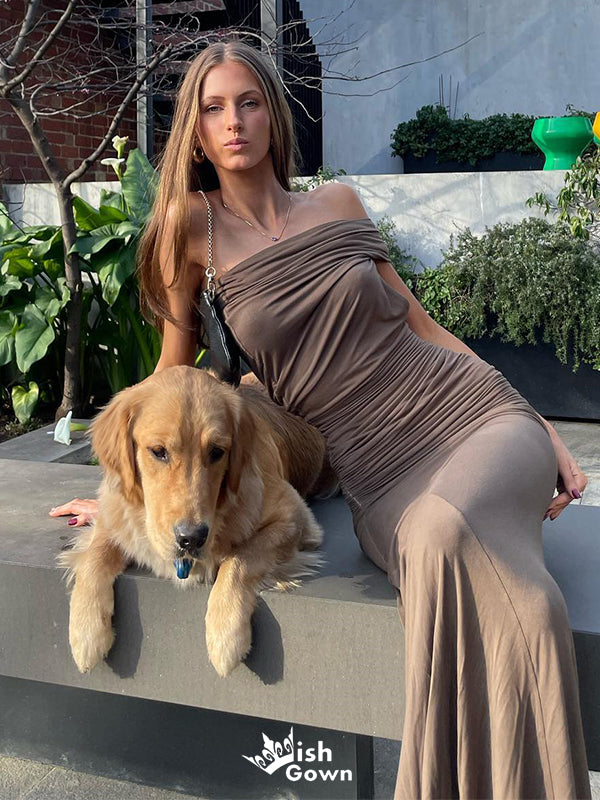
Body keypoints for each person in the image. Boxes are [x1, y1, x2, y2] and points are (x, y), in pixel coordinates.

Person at [50, 39, 591, 799]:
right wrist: (126, 488)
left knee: (450, 533)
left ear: (273, 115)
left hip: (468, 415)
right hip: (375, 470)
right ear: (195, 133)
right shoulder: (190, 228)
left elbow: (423, 324)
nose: (233, 121)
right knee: (451, 551)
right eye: (213, 108)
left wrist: (535, 418)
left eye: (248, 103)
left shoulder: (337, 204)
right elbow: (172, 376)